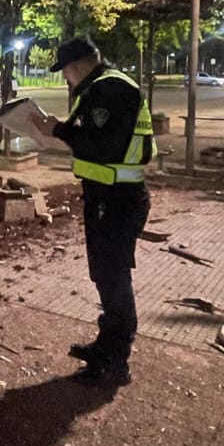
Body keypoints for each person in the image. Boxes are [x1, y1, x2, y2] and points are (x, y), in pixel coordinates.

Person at [28, 36, 153, 383]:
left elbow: (104, 147)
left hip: (117, 200)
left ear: (79, 64)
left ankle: (116, 361)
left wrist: (58, 130)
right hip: (107, 198)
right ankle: (107, 345)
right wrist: (59, 130)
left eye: (65, 70)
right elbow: (93, 140)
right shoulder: (99, 88)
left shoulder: (110, 89)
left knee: (114, 279)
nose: (65, 77)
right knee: (105, 276)